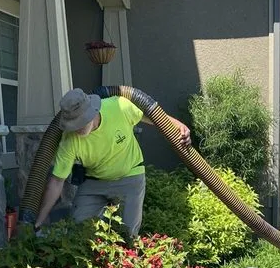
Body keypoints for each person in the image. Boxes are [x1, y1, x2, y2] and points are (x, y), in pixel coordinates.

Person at [34, 88, 191, 236]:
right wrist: (39, 221)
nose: (78, 129)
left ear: (92, 112)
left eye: (81, 122)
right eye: (73, 125)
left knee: (127, 234)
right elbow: (56, 182)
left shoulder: (120, 107)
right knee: (78, 230)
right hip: (94, 182)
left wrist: (179, 126)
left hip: (129, 177)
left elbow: (154, 115)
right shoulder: (69, 141)